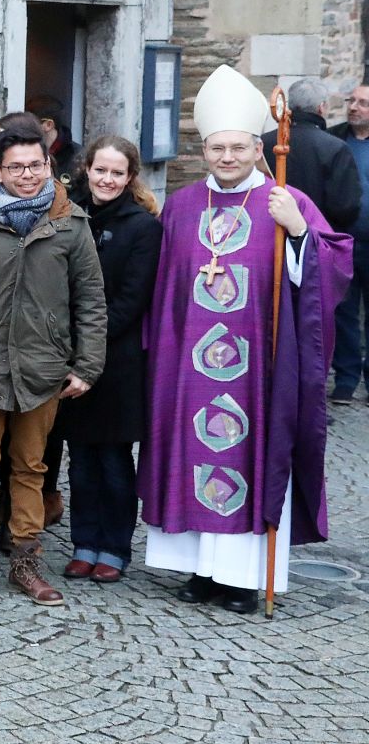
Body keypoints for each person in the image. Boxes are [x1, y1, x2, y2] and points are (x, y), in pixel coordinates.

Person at [141, 65, 349, 613]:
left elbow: (336, 271)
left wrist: (301, 234)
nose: (227, 158)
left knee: (247, 454)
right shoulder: (183, 207)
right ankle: (202, 571)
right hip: (189, 367)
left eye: (238, 148)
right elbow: (162, 288)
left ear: (259, 148)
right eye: (217, 149)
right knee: (191, 451)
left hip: (259, 371)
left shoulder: (287, 202)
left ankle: (240, 577)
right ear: (203, 150)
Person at [0, 125, 105, 608]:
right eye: (16, 167)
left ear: (48, 165)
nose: (26, 175)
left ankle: (26, 562)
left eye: (35, 165)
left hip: (41, 369)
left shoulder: (72, 226)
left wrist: (87, 366)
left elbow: (90, 301)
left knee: (30, 468)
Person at [57, 136, 161, 584]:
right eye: (101, 170)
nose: (107, 179)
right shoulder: (66, 214)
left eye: (117, 173)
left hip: (116, 361)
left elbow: (131, 299)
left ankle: (115, 546)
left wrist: (88, 346)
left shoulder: (143, 227)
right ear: (87, 169)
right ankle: (84, 542)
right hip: (68, 353)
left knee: (115, 462)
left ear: (130, 177)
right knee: (79, 460)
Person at [261, 78, 361, 235]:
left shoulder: (264, 142)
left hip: (268, 231)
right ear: (321, 108)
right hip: (317, 236)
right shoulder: (335, 147)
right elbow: (345, 207)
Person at [330, 83, 369, 404]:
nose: (354, 107)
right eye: (351, 101)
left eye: (363, 103)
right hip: (342, 240)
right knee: (342, 312)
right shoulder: (335, 138)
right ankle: (345, 378)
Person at [25, 96, 79, 177]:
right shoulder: (22, 152)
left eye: (29, 123)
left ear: (48, 125)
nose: (23, 128)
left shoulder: (78, 158)